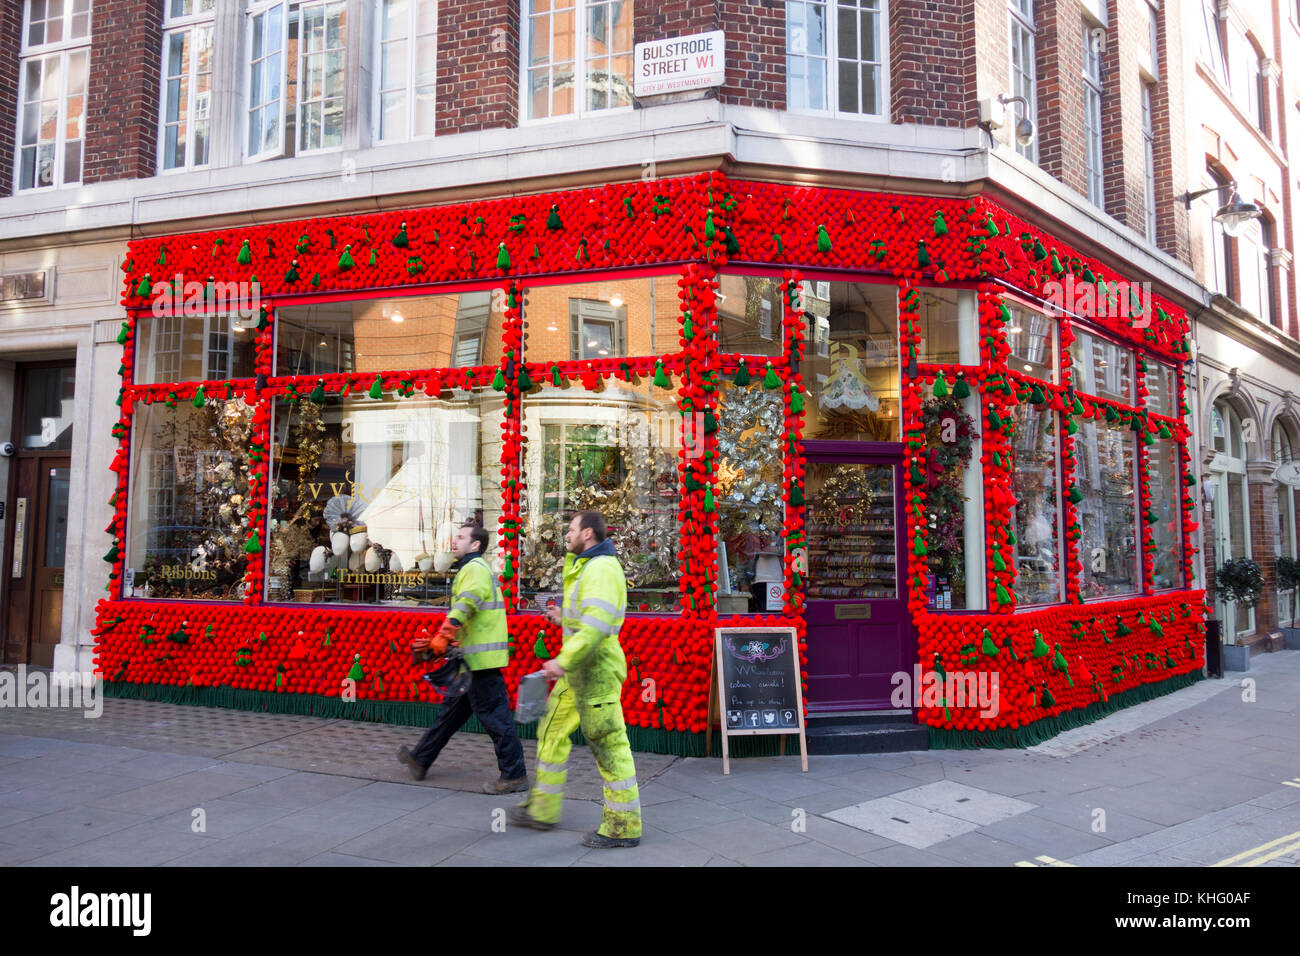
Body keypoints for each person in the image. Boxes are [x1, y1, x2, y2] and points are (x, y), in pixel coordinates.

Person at [509, 510, 641, 848]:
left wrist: (562, 661)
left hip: (593, 669)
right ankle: (542, 810)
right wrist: (563, 616)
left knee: (608, 744)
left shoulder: (600, 568)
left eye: (571, 529)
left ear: (587, 534)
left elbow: (597, 627)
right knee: (552, 731)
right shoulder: (589, 566)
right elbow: (589, 617)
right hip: (579, 669)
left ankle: (622, 827)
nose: (566, 534)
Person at [397, 522, 528, 794]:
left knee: (496, 718)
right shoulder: (474, 569)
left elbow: (466, 604)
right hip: (474, 658)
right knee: (451, 714)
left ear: (476, 544)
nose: (454, 542)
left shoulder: (474, 569)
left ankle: (514, 775)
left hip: (480, 662)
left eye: (460, 537)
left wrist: (443, 636)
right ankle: (420, 759)